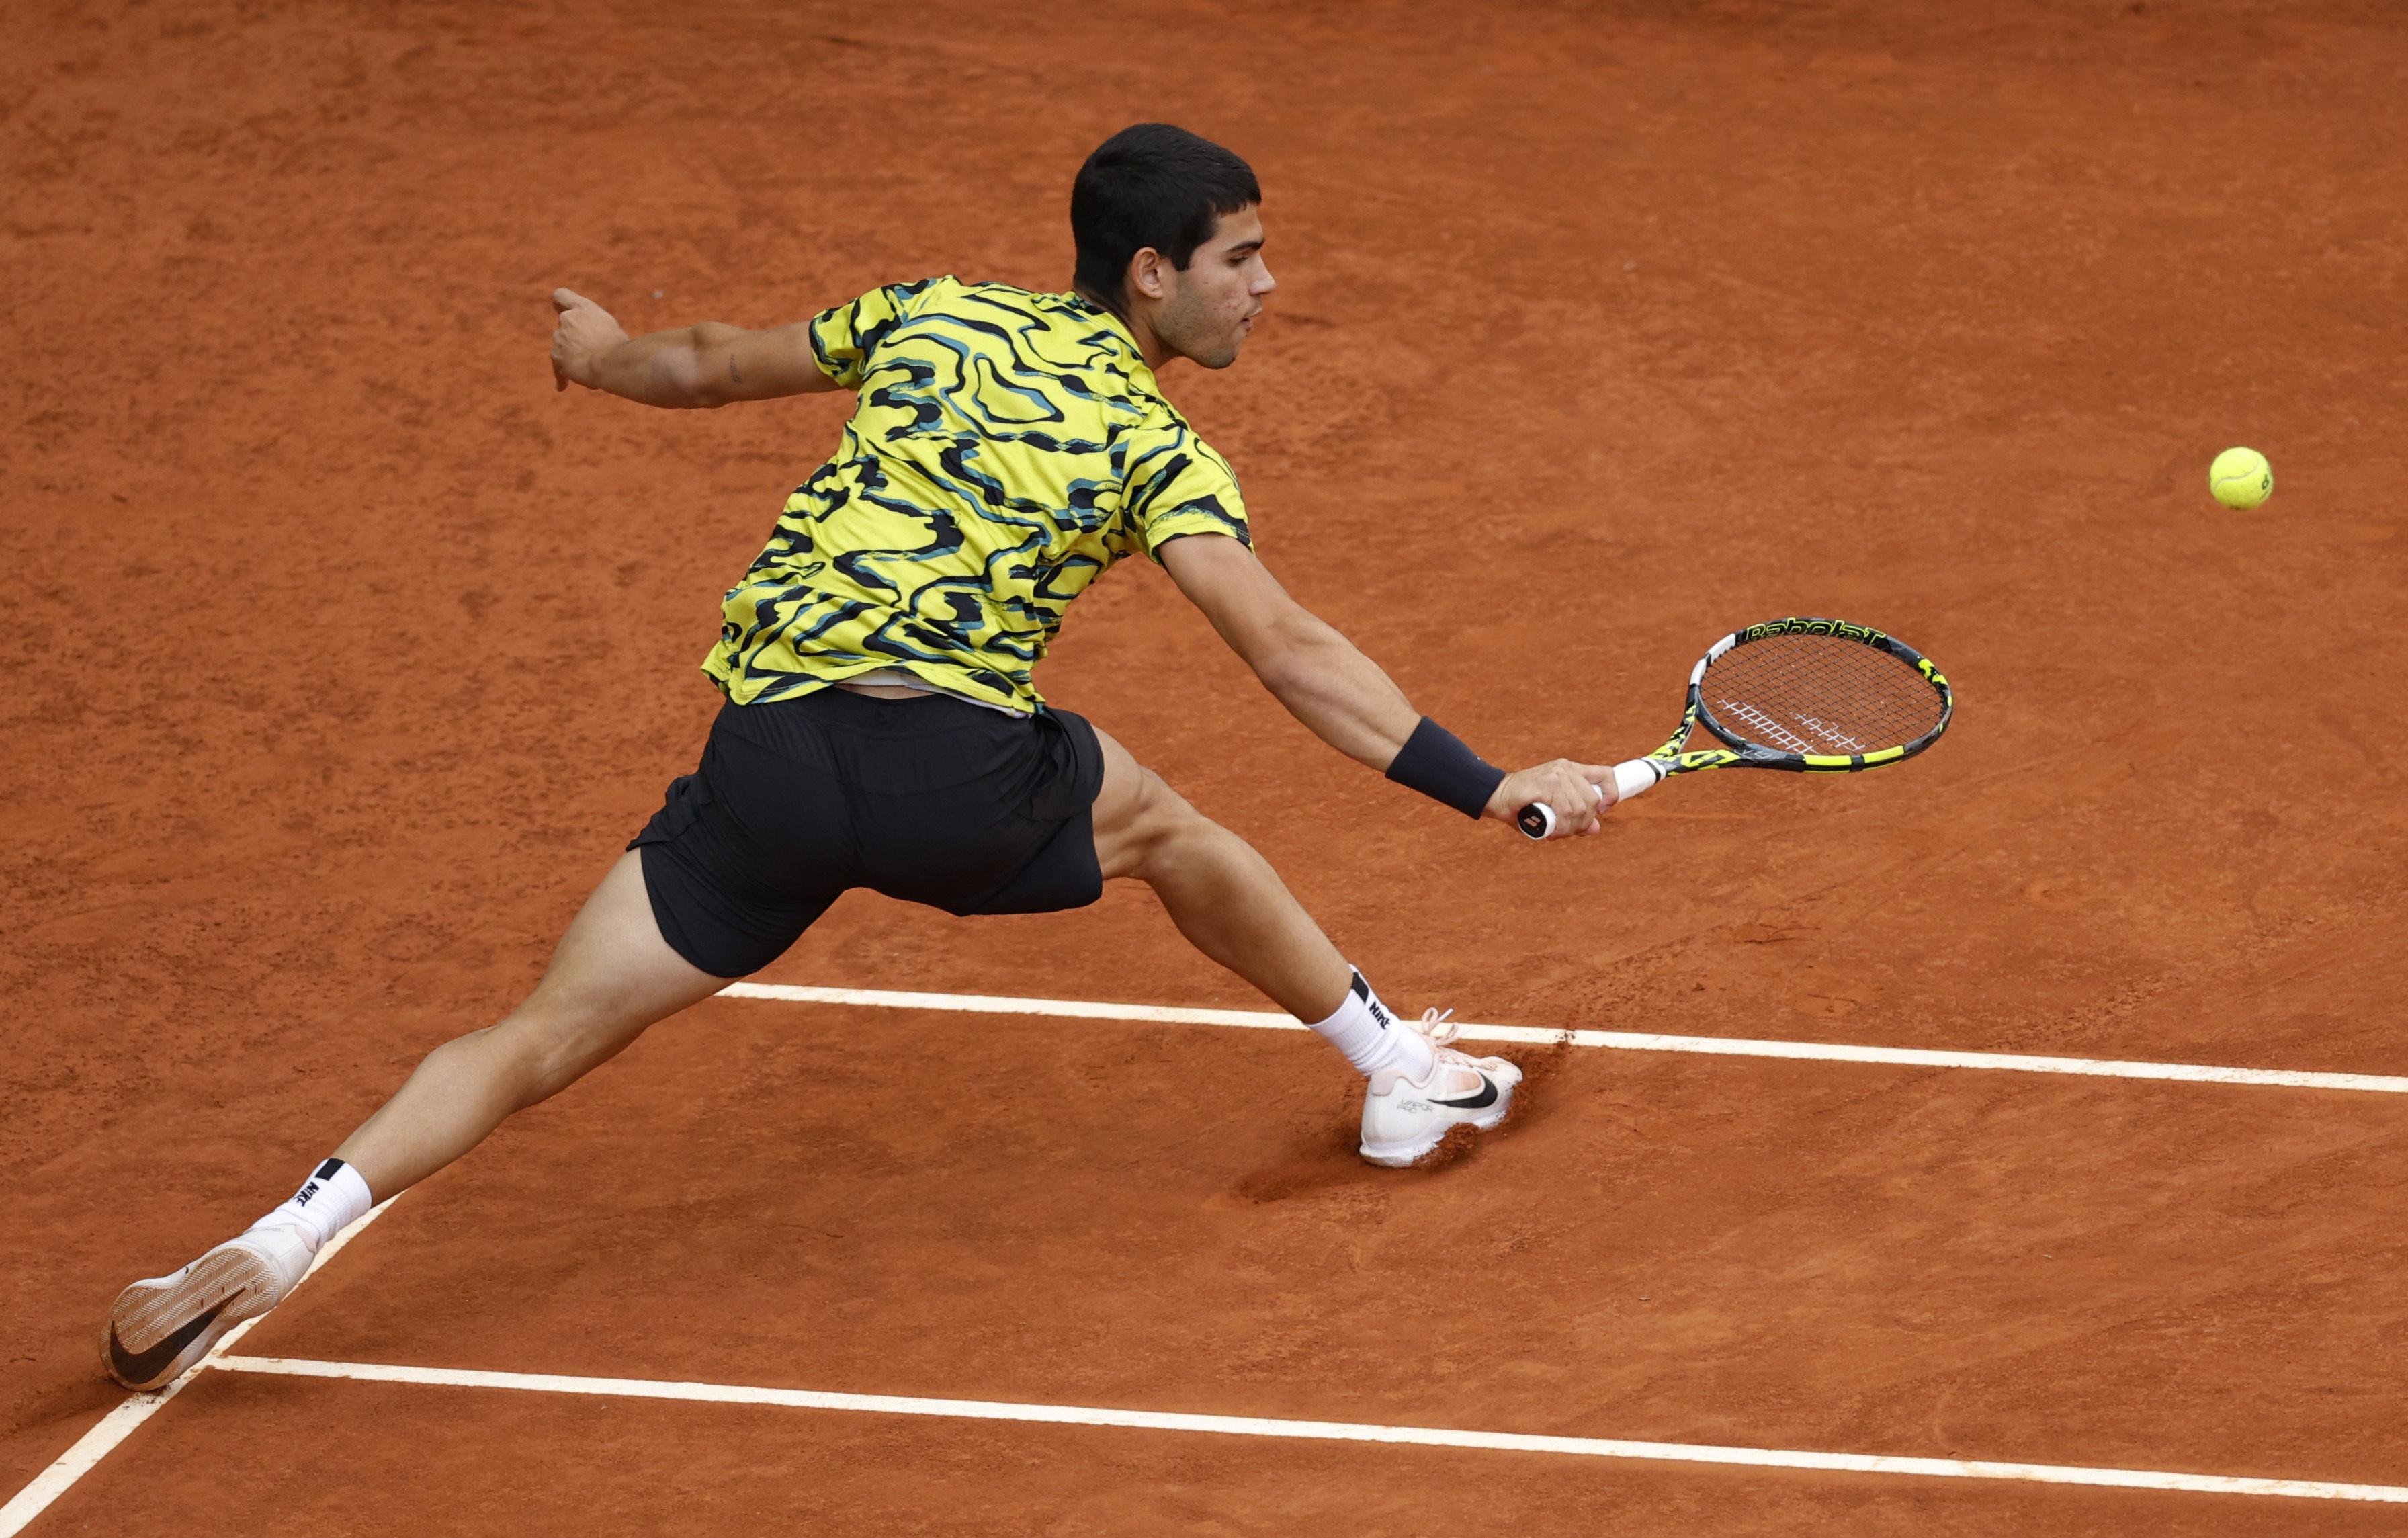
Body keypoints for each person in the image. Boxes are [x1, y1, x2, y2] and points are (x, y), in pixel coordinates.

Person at [101, 123, 1617, 1392]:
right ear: (1151, 274)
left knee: (541, 1032)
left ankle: (272, 1241)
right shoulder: (1160, 448)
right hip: (948, 777)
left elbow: (700, 364)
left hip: (764, 764)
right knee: (1174, 832)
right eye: (1241, 258)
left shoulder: (933, 311)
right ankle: (1397, 1074)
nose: (1267, 288)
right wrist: (1490, 786)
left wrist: (604, 350)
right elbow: (1286, 649)